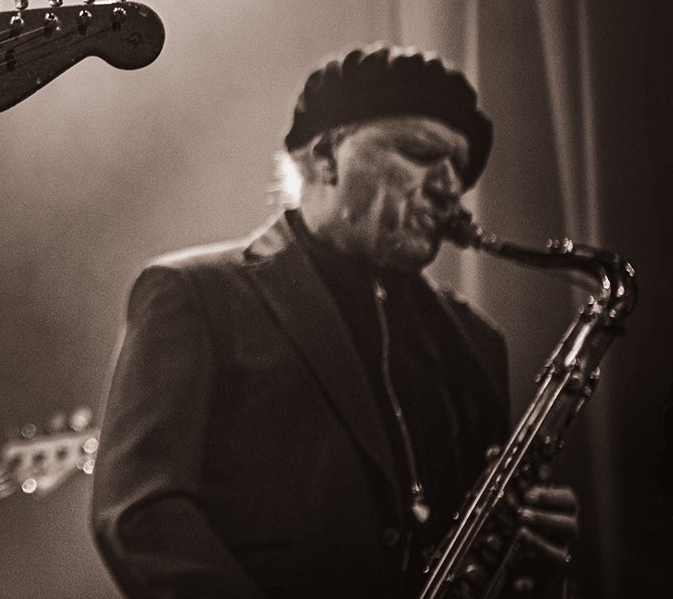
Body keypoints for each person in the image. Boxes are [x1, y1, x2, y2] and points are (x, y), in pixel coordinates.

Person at [89, 45, 578, 599]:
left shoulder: (476, 342)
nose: (450, 188)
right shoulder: (194, 294)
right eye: (421, 152)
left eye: (459, 170)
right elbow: (141, 516)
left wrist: (533, 563)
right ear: (325, 156)